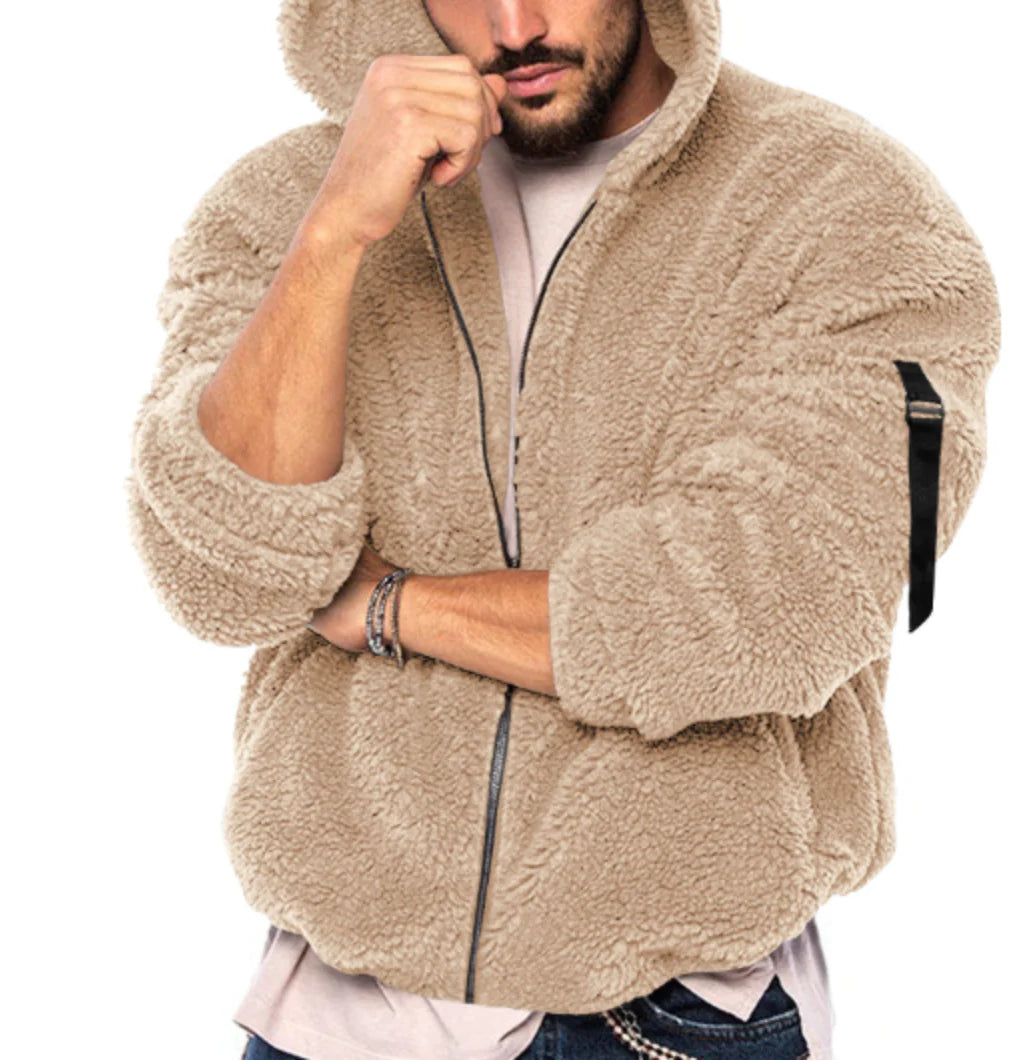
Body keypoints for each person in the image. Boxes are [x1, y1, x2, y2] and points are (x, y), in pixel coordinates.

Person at [125, 0, 1000, 1059]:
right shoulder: (280, 205)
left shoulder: (846, 205)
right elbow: (222, 570)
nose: (514, 25)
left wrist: (390, 605)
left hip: (674, 1015)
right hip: (335, 1010)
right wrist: (336, 231)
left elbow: (783, 597)